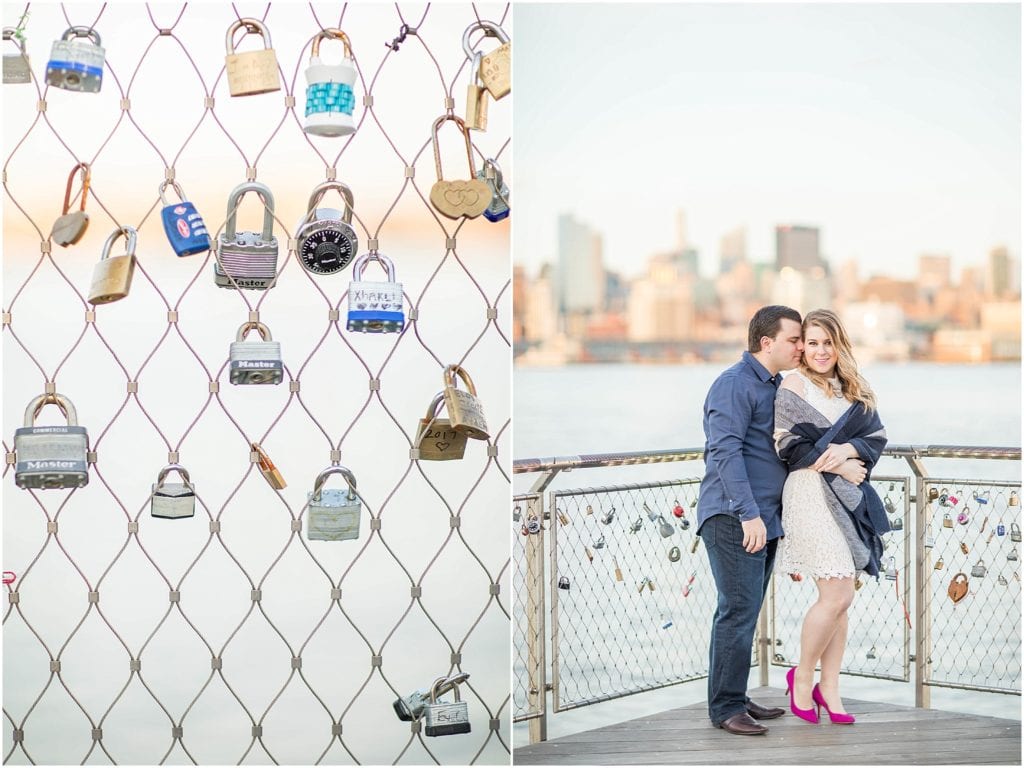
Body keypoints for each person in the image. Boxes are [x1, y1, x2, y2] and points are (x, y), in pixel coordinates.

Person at [773, 309, 889, 725]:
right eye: (813, 342)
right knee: (837, 593)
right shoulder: (794, 384)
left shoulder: (853, 390)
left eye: (828, 342)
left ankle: (831, 687)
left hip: (842, 498)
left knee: (842, 598)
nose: (821, 351)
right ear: (802, 346)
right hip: (807, 493)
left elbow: (875, 438)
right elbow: (787, 446)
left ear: (839, 345)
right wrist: (839, 463)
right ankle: (802, 678)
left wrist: (851, 452)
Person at [697, 305, 803, 736]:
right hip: (734, 516)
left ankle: (736, 696)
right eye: (794, 339)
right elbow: (725, 452)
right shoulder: (733, 385)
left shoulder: (776, 386)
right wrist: (749, 515)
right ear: (767, 342)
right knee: (736, 611)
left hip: (765, 517)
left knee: (747, 609)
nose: (799, 346)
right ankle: (724, 708)